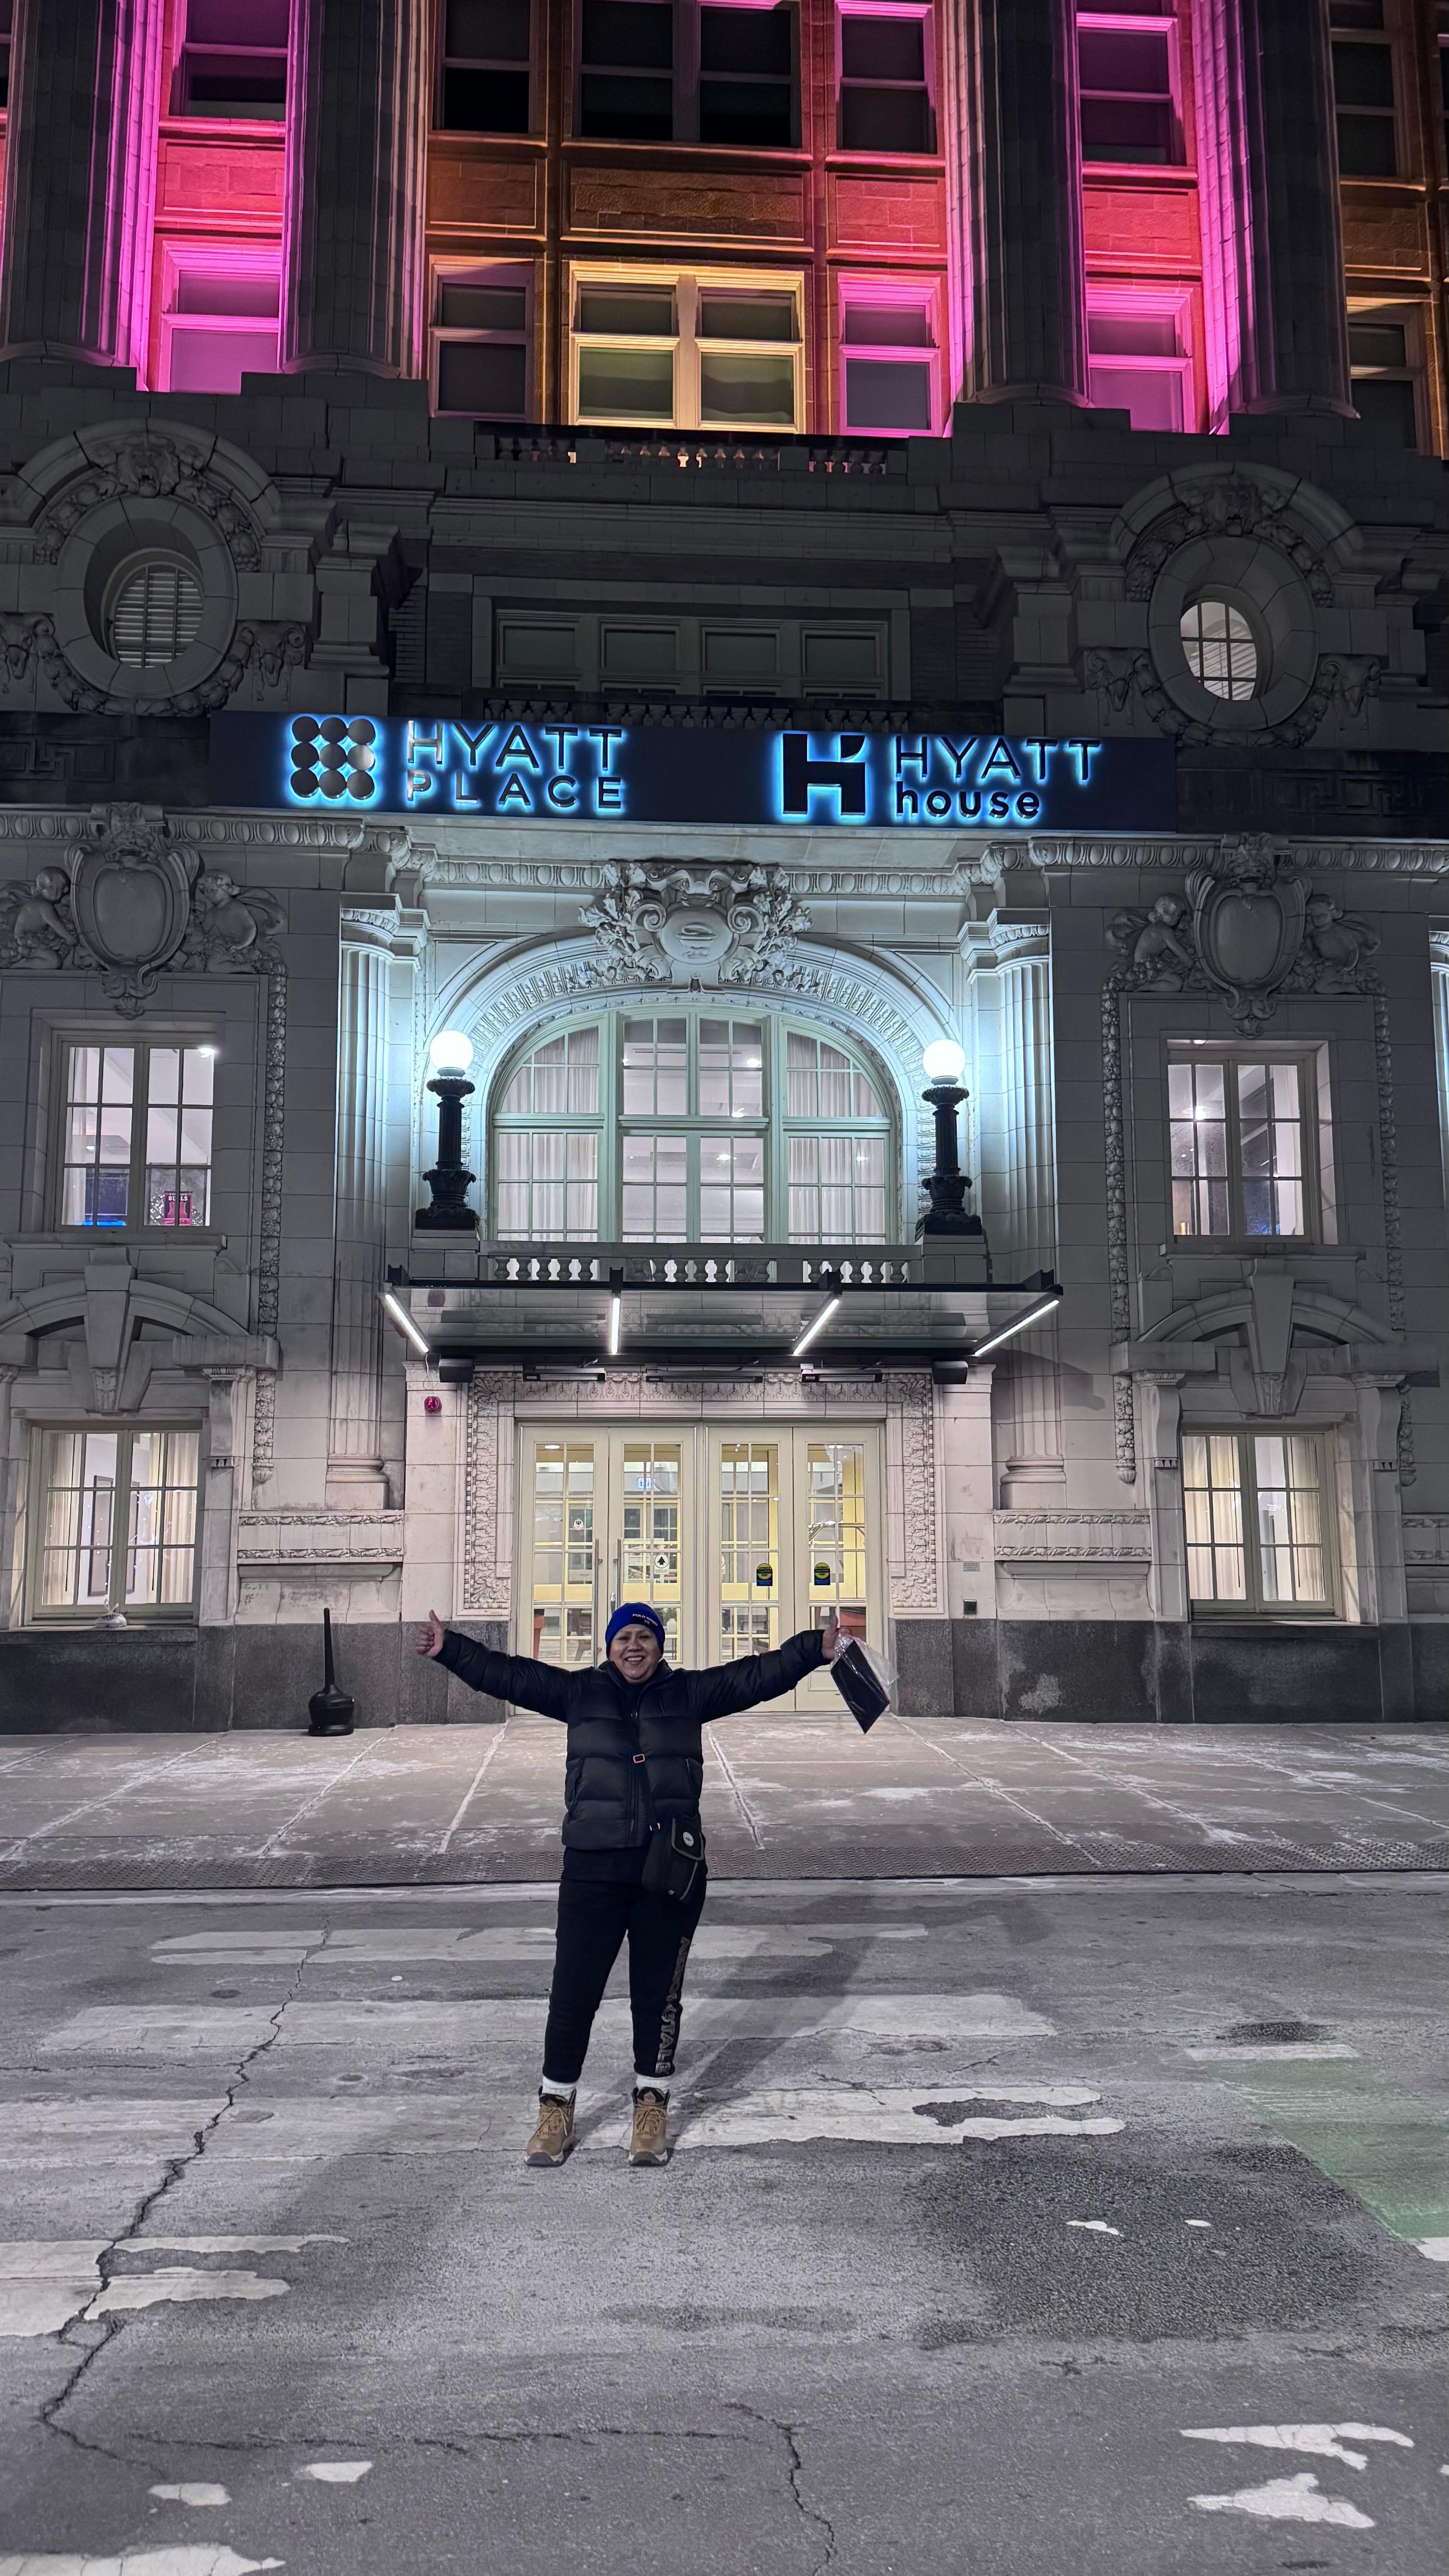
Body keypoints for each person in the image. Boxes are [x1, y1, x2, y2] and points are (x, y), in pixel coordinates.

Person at [416, 1598, 839, 2168]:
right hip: (593, 1868)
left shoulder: (689, 1694)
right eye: (624, 1638)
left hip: (668, 1871)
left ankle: (651, 2106)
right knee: (573, 1996)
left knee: (657, 1999)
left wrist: (813, 1650)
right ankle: (556, 2109)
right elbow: (510, 1675)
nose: (634, 1646)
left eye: (645, 1637)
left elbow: (755, 1677)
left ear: (660, 1646)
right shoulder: (579, 1693)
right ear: (609, 1647)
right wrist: (451, 1649)